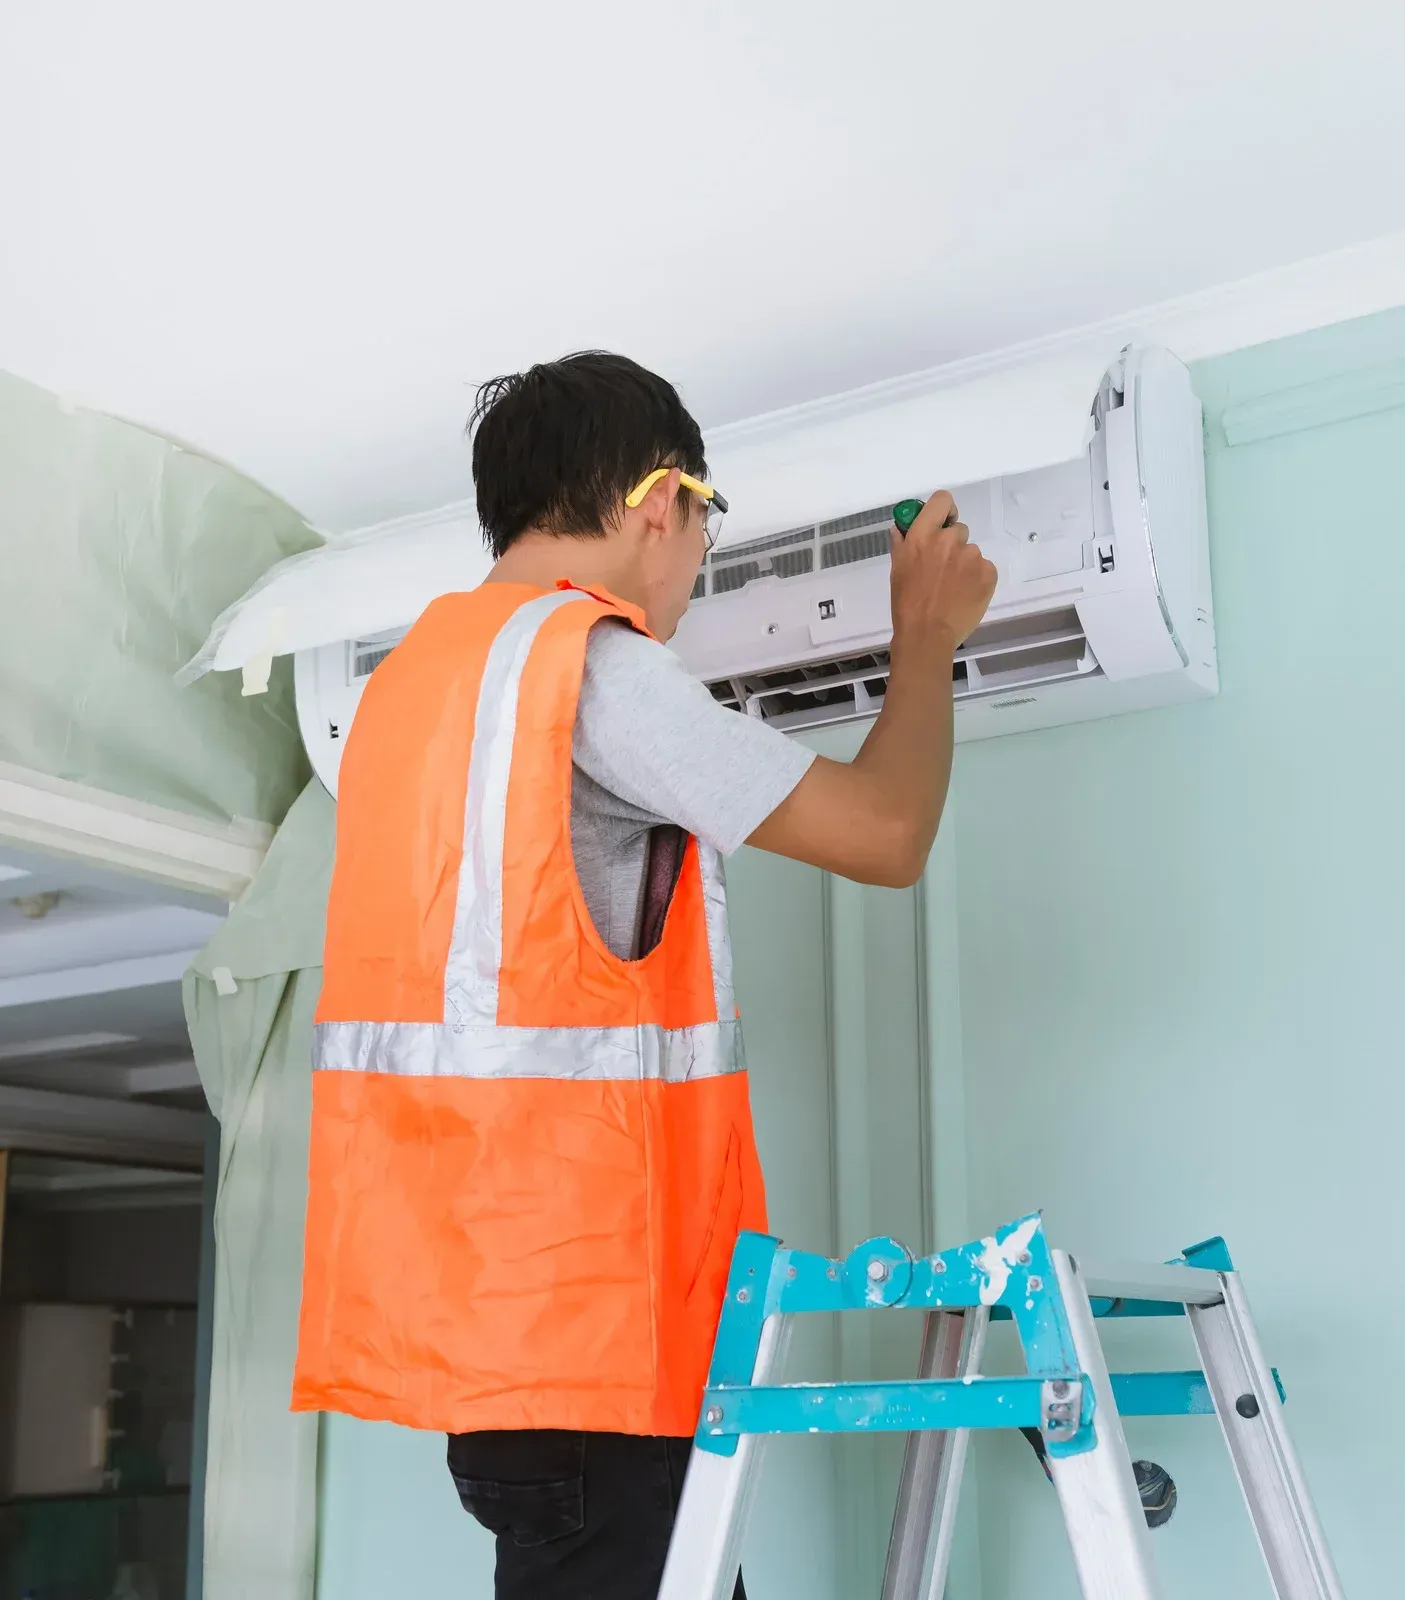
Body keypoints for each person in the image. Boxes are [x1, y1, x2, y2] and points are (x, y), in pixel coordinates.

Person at [290, 351, 997, 1600]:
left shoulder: (408, 693)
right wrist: (925, 632)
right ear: (658, 500)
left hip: (493, 1337)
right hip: (601, 1340)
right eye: (703, 527)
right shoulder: (589, 671)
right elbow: (886, 835)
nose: (692, 565)